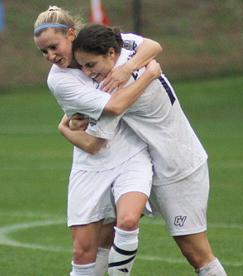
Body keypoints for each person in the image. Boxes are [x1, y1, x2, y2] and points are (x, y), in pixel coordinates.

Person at [59, 23, 227, 276]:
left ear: (110, 54)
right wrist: (137, 70)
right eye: (82, 66)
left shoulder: (116, 88)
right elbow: (153, 46)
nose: (86, 72)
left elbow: (94, 142)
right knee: (106, 232)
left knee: (195, 252)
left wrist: (65, 128)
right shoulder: (125, 52)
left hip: (177, 166)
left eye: (90, 65)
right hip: (148, 160)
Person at [33, 6, 162, 276]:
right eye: (43, 52)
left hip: (130, 152)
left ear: (71, 34)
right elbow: (114, 108)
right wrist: (149, 74)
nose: (50, 56)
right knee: (83, 250)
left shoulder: (99, 45)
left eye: (54, 47)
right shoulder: (58, 80)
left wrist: (128, 68)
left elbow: (151, 45)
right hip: (90, 160)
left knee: (126, 221)